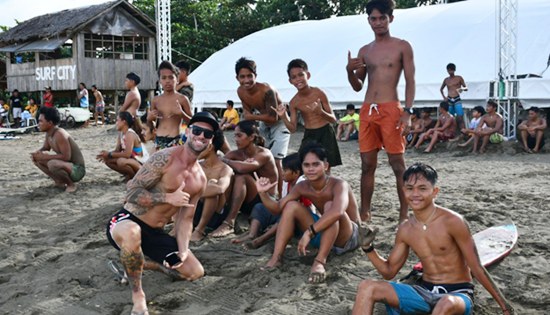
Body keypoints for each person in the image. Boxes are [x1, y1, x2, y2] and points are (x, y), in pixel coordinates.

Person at [352, 163, 514, 315]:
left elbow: (477, 267)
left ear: (435, 191)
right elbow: (389, 271)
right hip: (424, 291)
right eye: (410, 188)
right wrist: (368, 248)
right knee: (367, 287)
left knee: (446, 303)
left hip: (458, 294)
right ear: (403, 191)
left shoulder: (453, 222)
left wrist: (504, 306)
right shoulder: (406, 229)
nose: (415, 194)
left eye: (422, 188)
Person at [105, 111, 219, 315]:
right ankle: (138, 296)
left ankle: (145, 265)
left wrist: (183, 250)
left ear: (210, 142)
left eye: (207, 134)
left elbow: (185, 219)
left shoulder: (200, 179)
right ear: (188, 132)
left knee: (194, 272)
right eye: (197, 130)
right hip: (127, 221)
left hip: (155, 233)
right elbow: (131, 192)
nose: (201, 136)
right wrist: (166, 198)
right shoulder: (164, 159)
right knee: (132, 232)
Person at [346, 0, 415, 223]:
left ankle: (404, 214)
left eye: (382, 18)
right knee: (367, 164)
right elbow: (358, 86)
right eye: (373, 19)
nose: (378, 23)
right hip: (367, 110)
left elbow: (410, 80)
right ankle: (365, 212)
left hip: (391, 109)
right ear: (368, 21)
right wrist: (349, 71)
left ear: (390, 18)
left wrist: (408, 111)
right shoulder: (365, 50)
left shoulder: (402, 46)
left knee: (398, 164)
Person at [256, 143, 360, 284]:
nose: (311, 169)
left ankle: (319, 261)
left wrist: (309, 232)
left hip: (347, 238)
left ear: (326, 166)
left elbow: (338, 212)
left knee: (330, 206)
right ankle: (276, 258)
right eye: (306, 165)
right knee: (291, 205)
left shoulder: (339, 184)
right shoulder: (302, 186)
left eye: (315, 164)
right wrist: (263, 193)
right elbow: (278, 208)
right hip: (324, 232)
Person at [210, 120, 279, 237]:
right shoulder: (236, 154)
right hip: (246, 202)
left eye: (239, 135)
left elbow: (242, 169)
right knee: (226, 176)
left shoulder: (264, 154)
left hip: (265, 202)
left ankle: (229, 222)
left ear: (252, 137)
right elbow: (217, 167)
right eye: (235, 136)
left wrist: (225, 160)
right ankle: (217, 215)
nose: (235, 139)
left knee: (241, 176)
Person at [231, 152, 311, 248]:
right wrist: (264, 194)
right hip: (284, 212)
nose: (282, 173)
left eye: (285, 170)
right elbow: (280, 204)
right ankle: (252, 234)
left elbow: (292, 209)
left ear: (296, 173)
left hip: (301, 223)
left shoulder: (302, 183)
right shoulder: (287, 183)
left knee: (286, 216)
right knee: (260, 207)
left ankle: (262, 239)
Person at [235, 57, 290, 194]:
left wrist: (252, 117)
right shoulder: (240, 91)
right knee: (260, 157)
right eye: (243, 77)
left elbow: (273, 117)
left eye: (250, 76)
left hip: (280, 124)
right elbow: (247, 112)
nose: (246, 80)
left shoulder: (266, 90)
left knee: (277, 161)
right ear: (237, 78)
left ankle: (280, 196)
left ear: (256, 76)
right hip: (264, 124)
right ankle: (264, 192)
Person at [274, 58, 342, 168]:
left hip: (326, 132)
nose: (298, 79)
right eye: (294, 77)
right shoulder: (294, 102)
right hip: (309, 134)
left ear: (308, 75)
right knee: (303, 164)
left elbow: (333, 119)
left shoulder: (319, 93)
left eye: (301, 75)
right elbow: (293, 129)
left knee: (325, 166)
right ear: (290, 81)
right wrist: (283, 117)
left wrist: (320, 112)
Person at [191, 129, 234, 241]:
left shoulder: (225, 169)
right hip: (195, 210)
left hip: (215, 215)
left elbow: (220, 189)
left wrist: (193, 193)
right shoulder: (197, 165)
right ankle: (178, 227)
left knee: (213, 184)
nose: (195, 149)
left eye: (200, 145)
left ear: (210, 147)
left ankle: (199, 230)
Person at [30, 107, 86, 193]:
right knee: (37, 160)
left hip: (77, 170)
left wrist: (44, 157)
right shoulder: (49, 133)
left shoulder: (60, 134)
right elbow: (46, 147)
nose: (38, 124)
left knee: (52, 164)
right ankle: (59, 181)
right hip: (67, 166)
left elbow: (66, 157)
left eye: (41, 121)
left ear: (50, 123)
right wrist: (38, 153)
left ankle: (71, 184)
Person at [148, 61, 192, 151]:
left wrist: (182, 114)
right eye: (164, 78)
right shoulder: (155, 100)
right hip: (158, 141)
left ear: (177, 79)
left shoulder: (182, 99)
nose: (167, 81)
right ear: (159, 81)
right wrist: (149, 119)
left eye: (171, 77)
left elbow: (193, 123)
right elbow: (152, 126)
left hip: (175, 140)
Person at [96, 111, 149, 181]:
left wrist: (109, 154)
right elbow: (117, 151)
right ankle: (130, 175)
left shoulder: (130, 134)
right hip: (132, 160)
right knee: (107, 160)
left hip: (141, 163)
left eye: (117, 120)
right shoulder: (121, 134)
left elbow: (127, 154)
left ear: (124, 122)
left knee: (121, 161)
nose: (116, 123)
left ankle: (133, 177)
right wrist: (105, 155)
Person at [440, 63, 468, 132]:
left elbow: (466, 88)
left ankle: (463, 132)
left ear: (454, 70)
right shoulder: (446, 80)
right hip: (449, 98)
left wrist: (462, 89)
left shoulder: (459, 78)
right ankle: (451, 132)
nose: (450, 72)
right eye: (449, 71)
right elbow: (441, 89)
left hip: (457, 98)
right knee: (450, 117)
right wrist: (444, 97)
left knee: (460, 116)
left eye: (451, 70)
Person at [120, 72, 145, 141]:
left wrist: (119, 116)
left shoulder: (132, 93)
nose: (125, 83)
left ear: (132, 82)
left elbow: (123, 108)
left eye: (126, 81)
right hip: (133, 117)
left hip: (129, 118)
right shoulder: (136, 92)